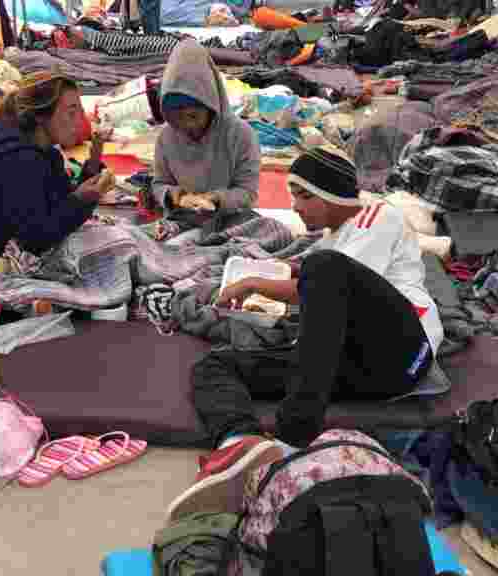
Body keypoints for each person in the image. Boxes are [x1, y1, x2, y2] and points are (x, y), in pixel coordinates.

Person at [165, 149, 445, 519]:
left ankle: (293, 435)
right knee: (216, 365)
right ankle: (240, 447)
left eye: (304, 195)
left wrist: (255, 282)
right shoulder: (333, 239)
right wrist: (256, 280)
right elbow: (312, 286)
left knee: (319, 267)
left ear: (335, 196)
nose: (295, 206)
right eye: (293, 195)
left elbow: (325, 285)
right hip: (352, 365)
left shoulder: (378, 218)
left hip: (403, 354)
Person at [0, 72, 108, 272]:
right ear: (40, 116)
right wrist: (81, 200)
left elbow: (60, 203)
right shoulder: (19, 160)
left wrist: (92, 166)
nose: (80, 122)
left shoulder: (44, 152)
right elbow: (37, 237)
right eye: (72, 112)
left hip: (17, 255)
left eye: (80, 111)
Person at [152, 40, 260, 215]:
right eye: (177, 112)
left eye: (194, 112)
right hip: (181, 219)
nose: (186, 118)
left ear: (210, 103)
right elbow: (159, 184)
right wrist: (177, 196)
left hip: (230, 219)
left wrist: (215, 199)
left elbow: (247, 192)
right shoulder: (166, 137)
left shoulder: (240, 134)